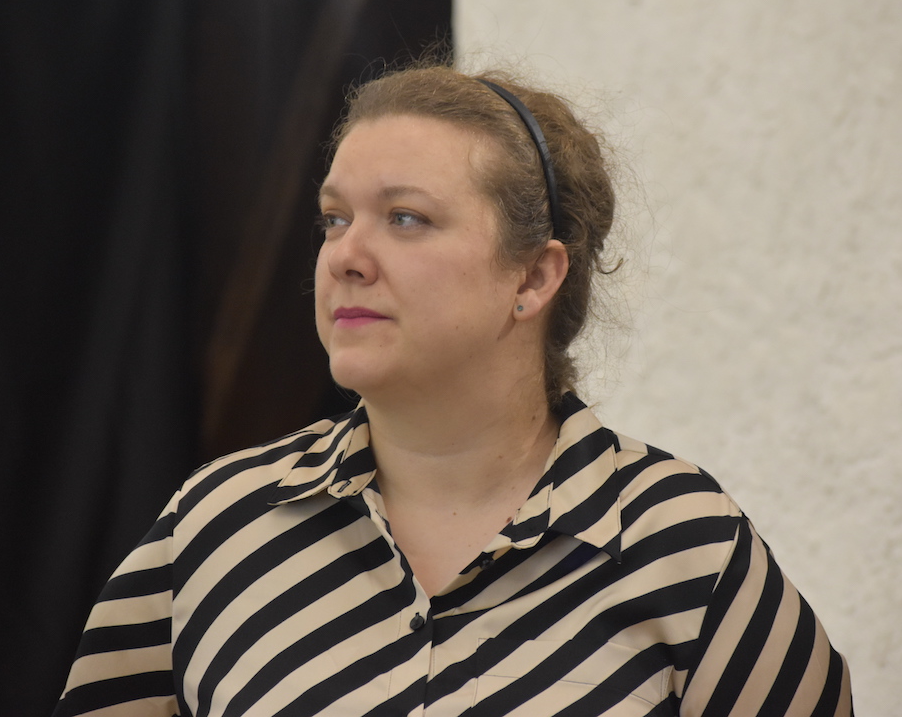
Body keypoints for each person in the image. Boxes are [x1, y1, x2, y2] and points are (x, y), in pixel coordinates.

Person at [52, 64, 853, 716]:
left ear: (533, 277)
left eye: (405, 218)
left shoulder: (682, 546)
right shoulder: (218, 526)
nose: (345, 257)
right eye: (334, 219)